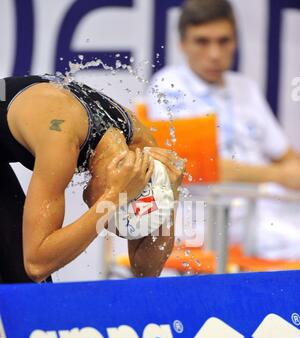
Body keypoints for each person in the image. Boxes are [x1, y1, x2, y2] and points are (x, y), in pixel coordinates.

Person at [145, 0, 300, 260]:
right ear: (183, 44)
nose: (215, 53)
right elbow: (195, 167)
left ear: (235, 42)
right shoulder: (167, 85)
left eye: (223, 41)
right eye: (202, 41)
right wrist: (278, 175)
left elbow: (287, 157)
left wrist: (286, 174)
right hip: (204, 220)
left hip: (264, 213)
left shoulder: (244, 88)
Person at [0, 73, 185, 283]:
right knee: (23, 278)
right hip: (48, 114)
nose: (110, 213)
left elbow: (145, 272)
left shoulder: (144, 151)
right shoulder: (61, 141)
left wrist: (169, 198)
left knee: (23, 285)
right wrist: (112, 198)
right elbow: (36, 264)